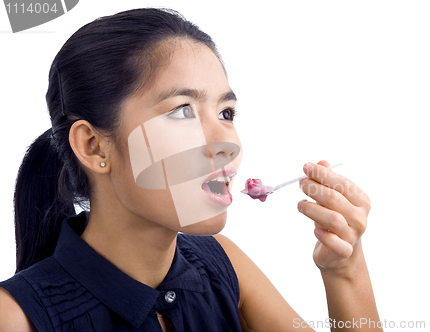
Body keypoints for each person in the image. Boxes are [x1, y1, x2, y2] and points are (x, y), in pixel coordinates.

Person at [0, 8, 381, 332]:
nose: (225, 143)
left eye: (226, 113)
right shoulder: (13, 317)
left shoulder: (222, 262)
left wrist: (345, 270)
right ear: (93, 145)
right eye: (183, 110)